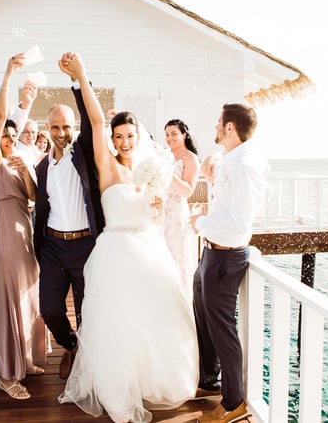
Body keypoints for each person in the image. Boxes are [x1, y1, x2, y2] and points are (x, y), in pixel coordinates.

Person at [57, 52, 198, 423]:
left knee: (155, 317)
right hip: (115, 252)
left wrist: (154, 202)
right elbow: (96, 118)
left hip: (148, 248)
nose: (123, 142)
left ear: (139, 137)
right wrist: (83, 75)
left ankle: (151, 382)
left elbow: (155, 214)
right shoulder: (106, 165)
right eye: (118, 137)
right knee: (116, 322)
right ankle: (119, 390)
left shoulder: (150, 170)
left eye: (129, 136)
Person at [188, 103, 267, 423]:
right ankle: (210, 379)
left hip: (225, 256)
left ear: (230, 128)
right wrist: (213, 164)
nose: (215, 126)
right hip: (210, 253)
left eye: (219, 122)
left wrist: (200, 223)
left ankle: (234, 402)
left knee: (223, 331)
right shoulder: (231, 159)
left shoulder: (244, 165)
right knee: (202, 315)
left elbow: (239, 224)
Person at [0, 53, 48, 400]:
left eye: (12, 137)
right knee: (9, 305)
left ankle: (28, 358)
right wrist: (8, 72)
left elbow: (34, 197)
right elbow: (4, 115)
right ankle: (8, 375)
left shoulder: (17, 163)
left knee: (29, 299)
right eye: (4, 135)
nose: (9, 140)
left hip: (26, 238)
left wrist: (25, 170)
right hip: (6, 239)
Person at [33, 57, 105, 381]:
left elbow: (93, 119)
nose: (61, 132)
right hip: (53, 248)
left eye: (66, 126)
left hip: (87, 246)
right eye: (55, 127)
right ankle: (69, 345)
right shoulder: (41, 167)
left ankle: (87, 357)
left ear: (74, 128)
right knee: (49, 308)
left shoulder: (84, 153)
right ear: (47, 129)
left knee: (89, 312)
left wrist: (78, 80)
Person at [162, 118, 201, 298]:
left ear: (184, 134)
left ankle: (182, 300)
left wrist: (167, 174)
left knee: (178, 258)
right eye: (168, 134)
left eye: (174, 134)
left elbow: (187, 190)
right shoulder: (165, 155)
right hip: (160, 213)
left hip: (177, 215)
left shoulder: (190, 158)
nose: (170, 138)